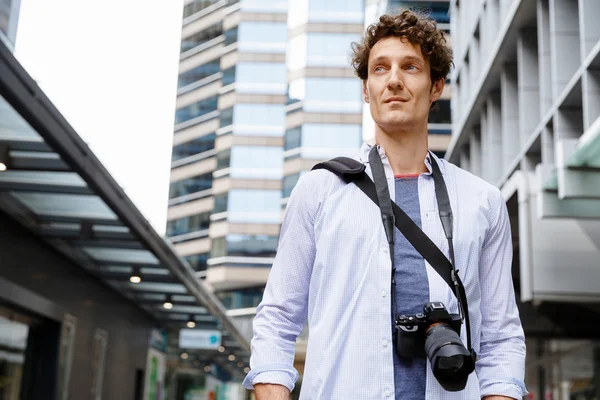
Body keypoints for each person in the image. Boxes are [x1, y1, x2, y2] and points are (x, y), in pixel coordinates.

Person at [242, 9, 527, 400]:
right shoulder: (319, 190)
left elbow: (501, 336)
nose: (393, 80)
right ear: (366, 89)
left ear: (437, 85)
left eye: (410, 67)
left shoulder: (483, 202)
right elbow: (277, 319)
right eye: (380, 68)